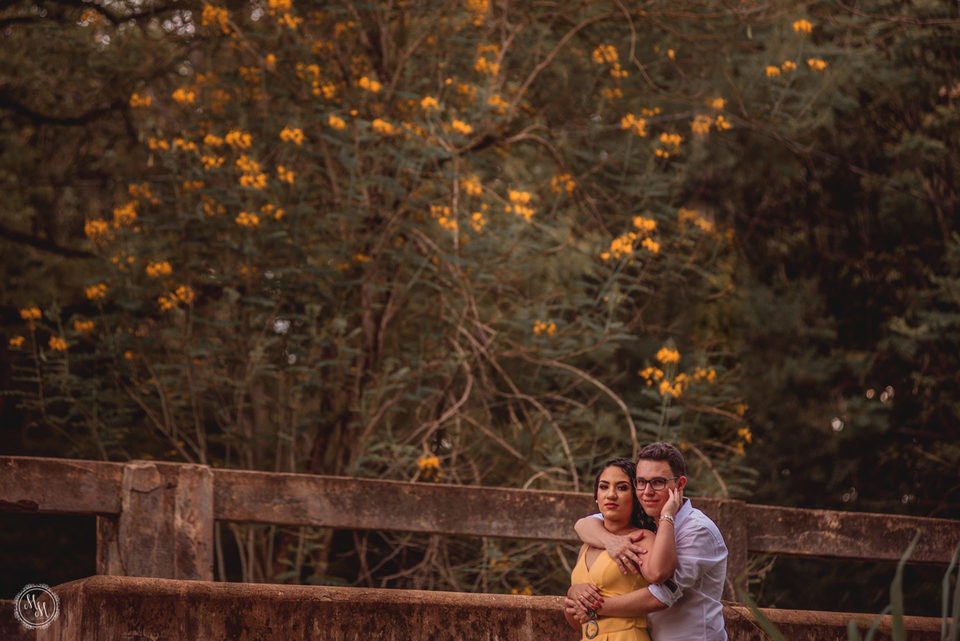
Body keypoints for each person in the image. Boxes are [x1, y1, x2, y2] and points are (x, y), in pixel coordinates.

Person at [568, 443, 729, 641]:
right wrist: (610, 541)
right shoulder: (647, 520)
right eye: (641, 482)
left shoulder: (697, 530)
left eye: (658, 482)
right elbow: (584, 524)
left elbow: (661, 594)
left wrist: (589, 606)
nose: (647, 491)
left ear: (679, 485)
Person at [564, 457, 682, 640]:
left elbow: (658, 573)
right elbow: (578, 621)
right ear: (596, 496)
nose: (611, 495)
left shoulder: (641, 538)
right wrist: (574, 594)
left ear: (635, 496)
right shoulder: (587, 545)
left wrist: (667, 516)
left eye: (622, 488)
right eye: (604, 487)